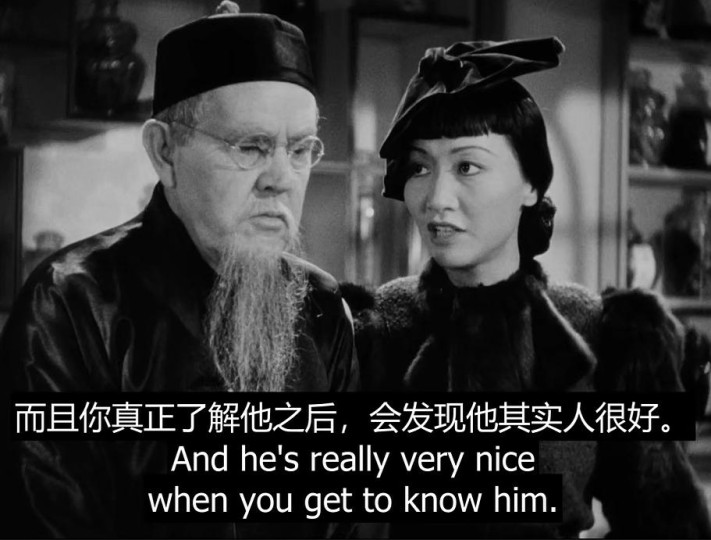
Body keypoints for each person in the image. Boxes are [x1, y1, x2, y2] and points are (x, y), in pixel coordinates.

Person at [0, 3, 358, 538]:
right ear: (165, 151)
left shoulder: (323, 308)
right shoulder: (71, 304)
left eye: (301, 149)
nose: (281, 178)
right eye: (251, 146)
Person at [346, 37, 711, 538]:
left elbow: (665, 525)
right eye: (420, 167)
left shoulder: (604, 332)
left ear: (531, 185)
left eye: (467, 166)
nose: (436, 198)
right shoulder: (374, 328)